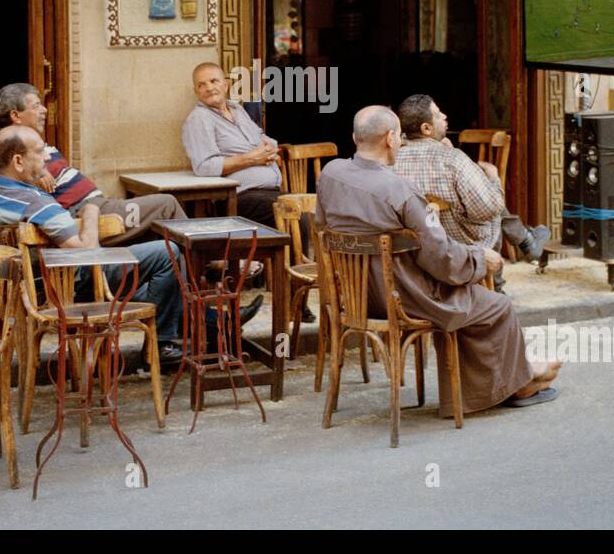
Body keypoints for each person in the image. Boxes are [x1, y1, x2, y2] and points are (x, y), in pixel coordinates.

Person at [317, 106, 561, 415]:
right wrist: (480, 259)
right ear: (392, 139)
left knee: (469, 299)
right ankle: (517, 384)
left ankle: (519, 373)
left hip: (357, 298)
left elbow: (324, 225)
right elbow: (442, 259)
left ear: (355, 137)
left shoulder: (331, 174)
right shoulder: (400, 190)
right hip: (405, 298)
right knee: (496, 305)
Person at [0, 126, 186, 370]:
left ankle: (190, 324)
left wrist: (7, 284)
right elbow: (86, 255)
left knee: (150, 283)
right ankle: (162, 344)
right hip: (66, 288)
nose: (48, 157)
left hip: (32, 289)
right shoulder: (38, 204)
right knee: (167, 253)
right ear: (18, 161)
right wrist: (91, 210)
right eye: (39, 151)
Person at [0, 83, 186, 246]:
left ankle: (182, 284)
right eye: (36, 106)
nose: (45, 110)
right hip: (84, 215)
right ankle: (206, 276)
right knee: (166, 205)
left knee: (158, 231)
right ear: (15, 116)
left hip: (94, 208)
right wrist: (36, 181)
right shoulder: (3, 147)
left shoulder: (29, 143)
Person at [393, 95, 550, 267]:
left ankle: (525, 241)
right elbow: (488, 210)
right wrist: (493, 179)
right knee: (491, 202)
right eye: (438, 114)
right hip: (459, 244)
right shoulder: (453, 159)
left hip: (412, 244)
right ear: (426, 128)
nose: (444, 116)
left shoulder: (390, 159)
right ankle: (518, 251)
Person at [181, 62, 282, 227]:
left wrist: (270, 148)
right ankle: (296, 254)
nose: (209, 87)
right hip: (238, 198)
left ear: (225, 85)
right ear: (196, 91)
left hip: (268, 192)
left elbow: (261, 137)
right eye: (202, 84)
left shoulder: (237, 109)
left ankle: (298, 254)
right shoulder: (199, 118)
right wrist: (250, 159)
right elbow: (204, 166)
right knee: (296, 215)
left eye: (214, 81)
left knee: (305, 207)